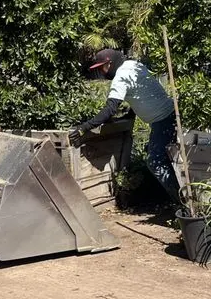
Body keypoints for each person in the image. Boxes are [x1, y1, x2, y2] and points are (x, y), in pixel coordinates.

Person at [73, 49, 182, 202]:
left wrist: (84, 127)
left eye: (101, 68)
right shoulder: (134, 65)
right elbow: (141, 94)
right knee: (164, 158)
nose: (101, 72)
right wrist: (130, 115)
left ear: (109, 64)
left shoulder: (121, 76)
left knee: (155, 162)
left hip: (162, 120)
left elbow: (110, 108)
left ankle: (181, 201)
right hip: (170, 115)